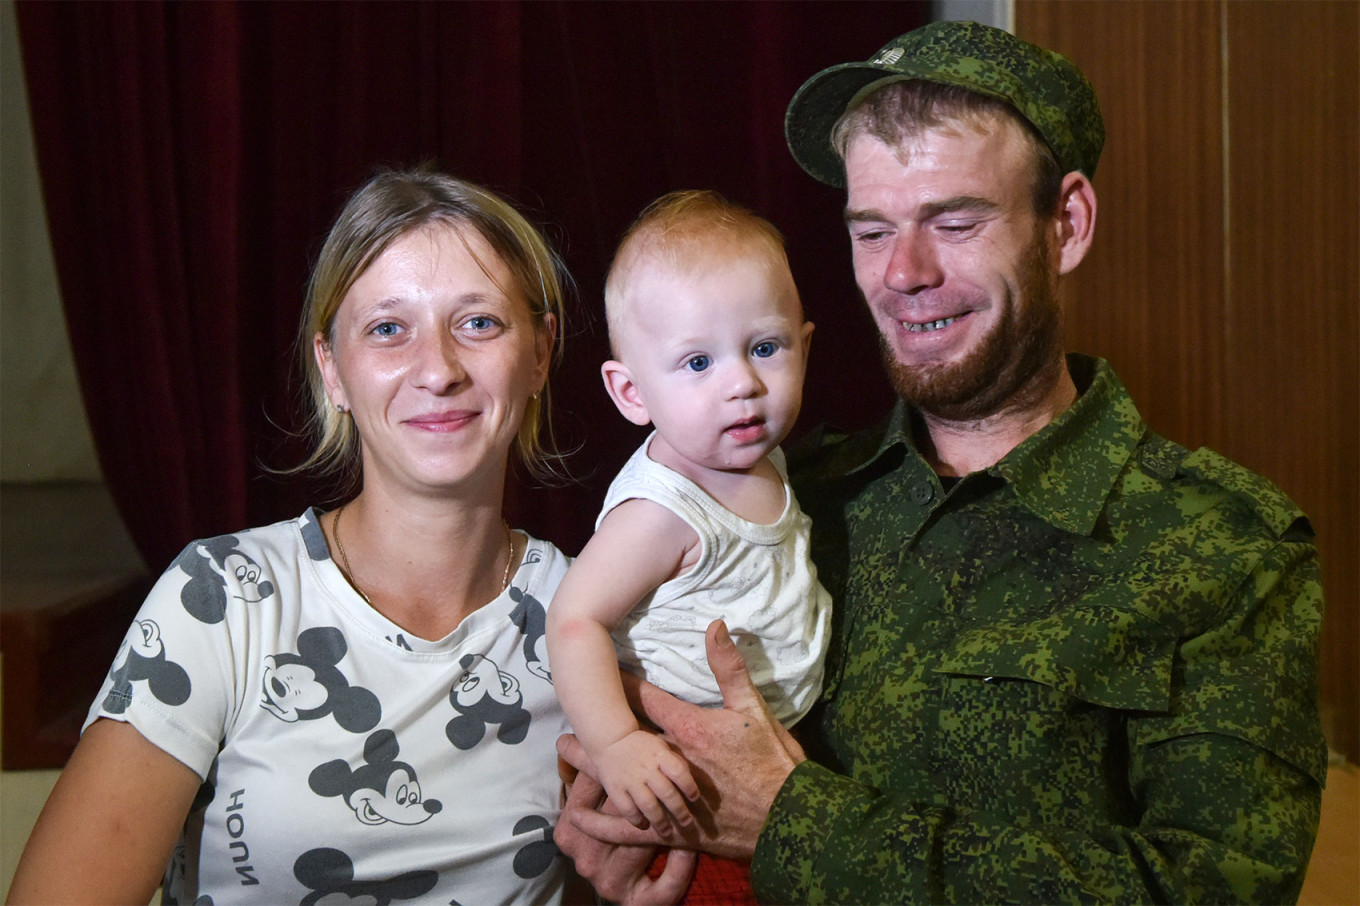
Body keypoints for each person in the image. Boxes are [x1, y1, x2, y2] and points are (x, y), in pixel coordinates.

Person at [554, 21, 1328, 905]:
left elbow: (1215, 889)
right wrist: (613, 819)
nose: (904, 273)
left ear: (1066, 224)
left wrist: (793, 822)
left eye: (954, 221)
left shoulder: (1228, 548)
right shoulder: (789, 496)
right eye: (872, 230)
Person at [8, 168, 576, 904]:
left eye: (479, 322)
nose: (437, 369)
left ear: (539, 353)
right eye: (387, 329)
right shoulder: (223, 599)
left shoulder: (591, 613)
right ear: (332, 370)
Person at [547, 190, 831, 903]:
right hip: (682, 786)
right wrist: (617, 747)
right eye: (697, 363)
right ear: (631, 391)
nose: (743, 384)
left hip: (769, 764)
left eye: (765, 348)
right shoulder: (663, 509)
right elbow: (573, 619)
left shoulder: (760, 457)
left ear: (804, 346)